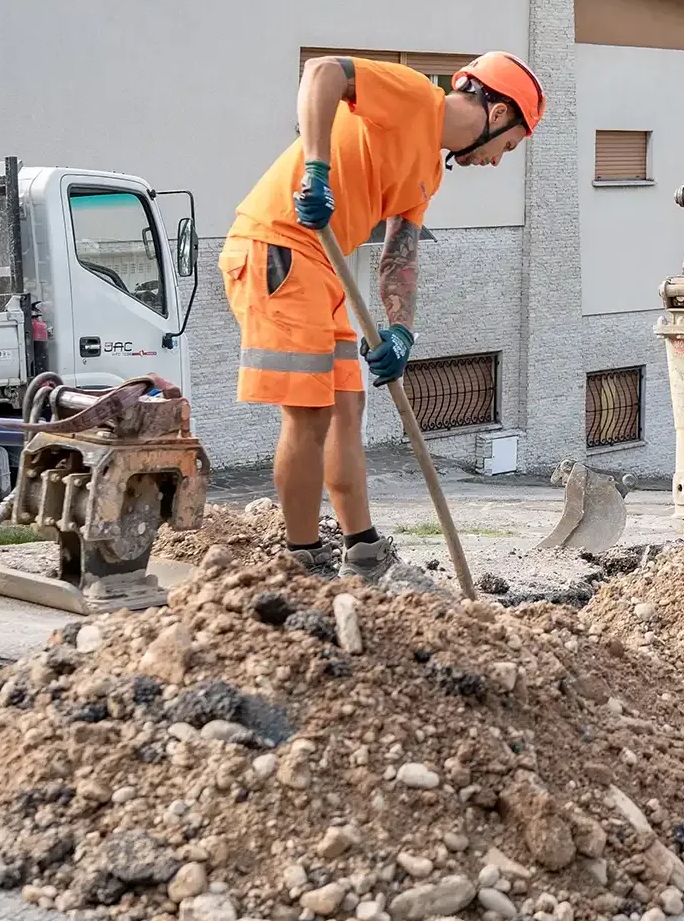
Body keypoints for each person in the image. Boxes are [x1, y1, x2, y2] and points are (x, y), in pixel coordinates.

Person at [219, 51, 544, 580]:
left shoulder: (428, 172)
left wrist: (401, 332)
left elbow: (399, 255)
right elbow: (322, 72)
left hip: (323, 267)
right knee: (310, 413)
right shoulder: (414, 96)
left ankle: (362, 547)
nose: (497, 160)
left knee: (348, 408)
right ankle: (302, 557)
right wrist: (316, 173)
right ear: (499, 113)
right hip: (278, 245)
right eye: (508, 147)